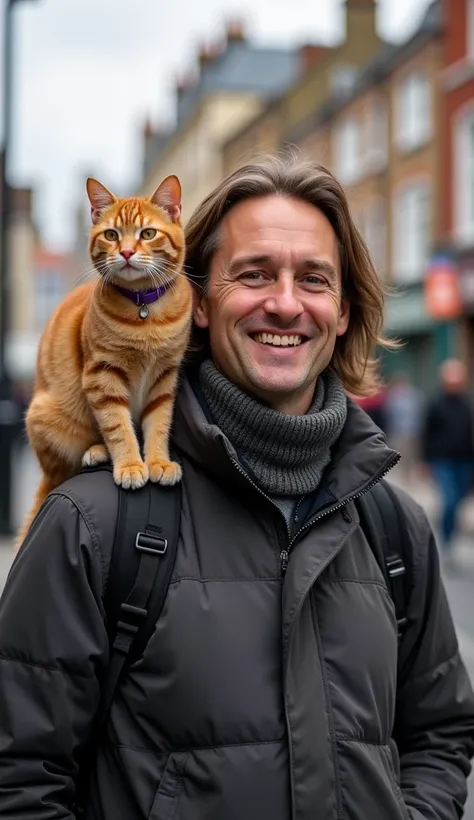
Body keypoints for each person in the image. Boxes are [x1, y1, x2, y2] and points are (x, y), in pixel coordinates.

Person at [0, 156, 473, 820]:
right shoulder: (92, 523)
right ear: (197, 302)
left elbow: (440, 736)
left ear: (341, 312)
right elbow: (20, 781)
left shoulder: (395, 526)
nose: (285, 302)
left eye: (312, 278)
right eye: (253, 274)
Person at [421, 358, 474, 557]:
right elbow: (426, 433)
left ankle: (452, 533)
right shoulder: (435, 404)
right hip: (442, 460)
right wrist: (425, 461)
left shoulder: (465, 404)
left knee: (458, 502)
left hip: (464, 460)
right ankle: (447, 541)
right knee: (450, 500)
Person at [385, 372, 423, 482]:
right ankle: (403, 476)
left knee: (411, 455)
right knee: (400, 454)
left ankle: (410, 476)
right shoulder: (393, 398)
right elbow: (390, 415)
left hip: (411, 432)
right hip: (398, 432)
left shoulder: (413, 397)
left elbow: (417, 415)